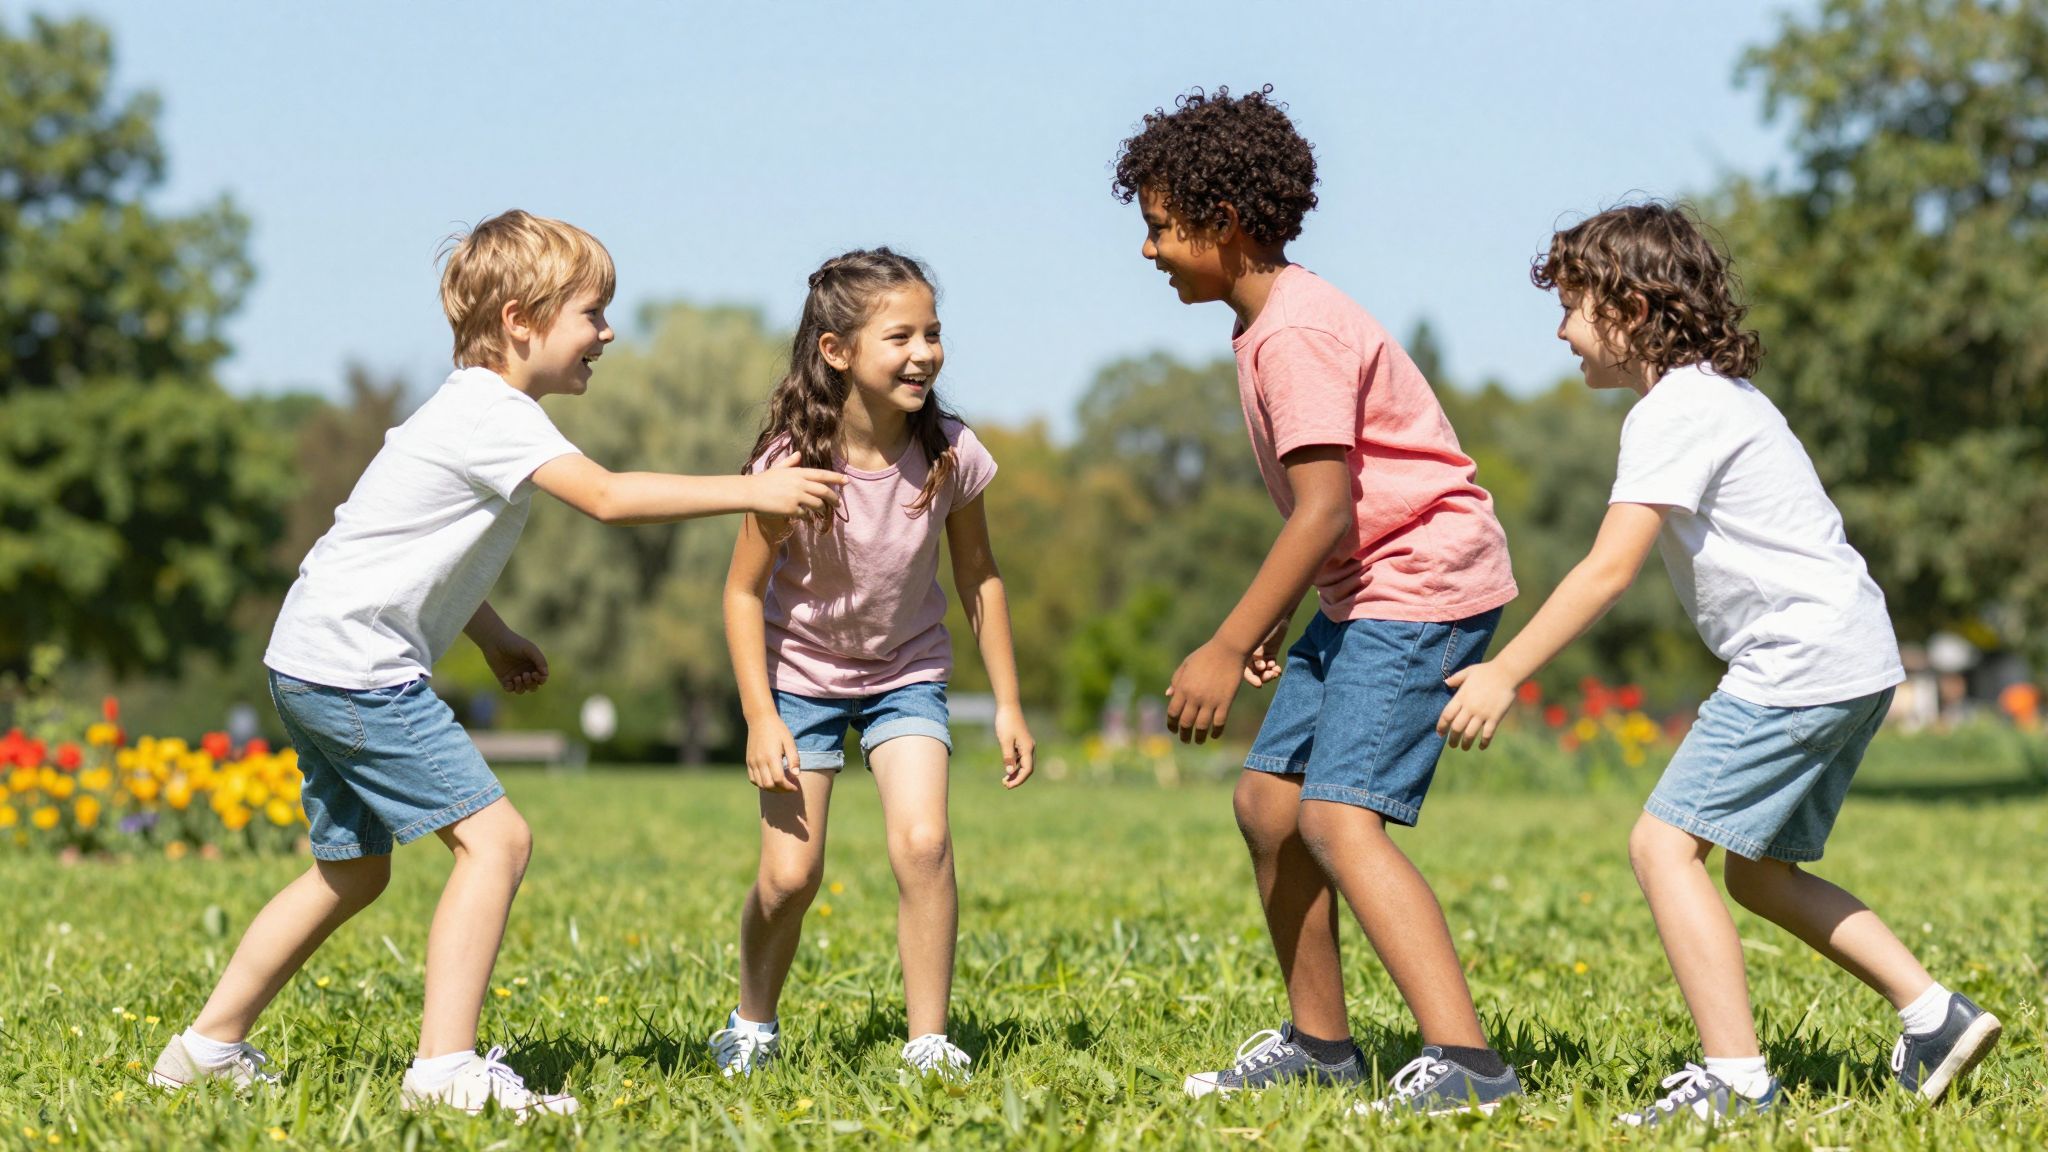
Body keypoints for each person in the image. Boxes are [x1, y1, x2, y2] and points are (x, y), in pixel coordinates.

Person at [149, 210, 845, 1119]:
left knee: (352, 871)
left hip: (313, 659)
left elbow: (408, 551)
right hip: (359, 671)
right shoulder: (496, 413)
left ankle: (205, 1048)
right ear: (521, 321)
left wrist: (489, 632)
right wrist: (754, 488)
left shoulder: (464, 411)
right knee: (499, 841)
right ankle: (444, 1071)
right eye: (592, 314)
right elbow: (607, 497)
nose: (607, 334)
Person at [1438, 202, 2002, 1125]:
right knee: (1759, 873)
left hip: (1797, 658)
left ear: (1632, 309)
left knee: (1661, 846)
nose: (1561, 330)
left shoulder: (1673, 411)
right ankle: (1935, 1015)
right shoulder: (1725, 398)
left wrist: (1507, 670)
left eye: (1574, 306)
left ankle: (1734, 1082)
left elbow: (1608, 569)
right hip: (1853, 654)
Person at [1110, 87, 1525, 1115]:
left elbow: (1323, 507)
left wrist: (1228, 642)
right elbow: (1335, 516)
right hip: (1365, 584)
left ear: (1224, 222)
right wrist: (1285, 617)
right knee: (1268, 804)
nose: (1148, 250)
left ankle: (1468, 1066)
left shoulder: (1294, 334)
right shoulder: (1269, 324)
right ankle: (1321, 1046)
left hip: (1421, 581)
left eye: (1160, 228)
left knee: (1338, 819)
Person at [710, 248, 1035, 1082]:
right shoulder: (791, 463)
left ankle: (928, 1042)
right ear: (837, 351)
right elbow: (742, 594)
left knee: (924, 844)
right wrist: (760, 717)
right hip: (800, 680)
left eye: (933, 333)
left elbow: (981, 576)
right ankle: (751, 1022)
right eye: (901, 337)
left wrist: (1007, 702)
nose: (925, 353)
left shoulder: (951, 452)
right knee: (790, 877)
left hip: (906, 673)